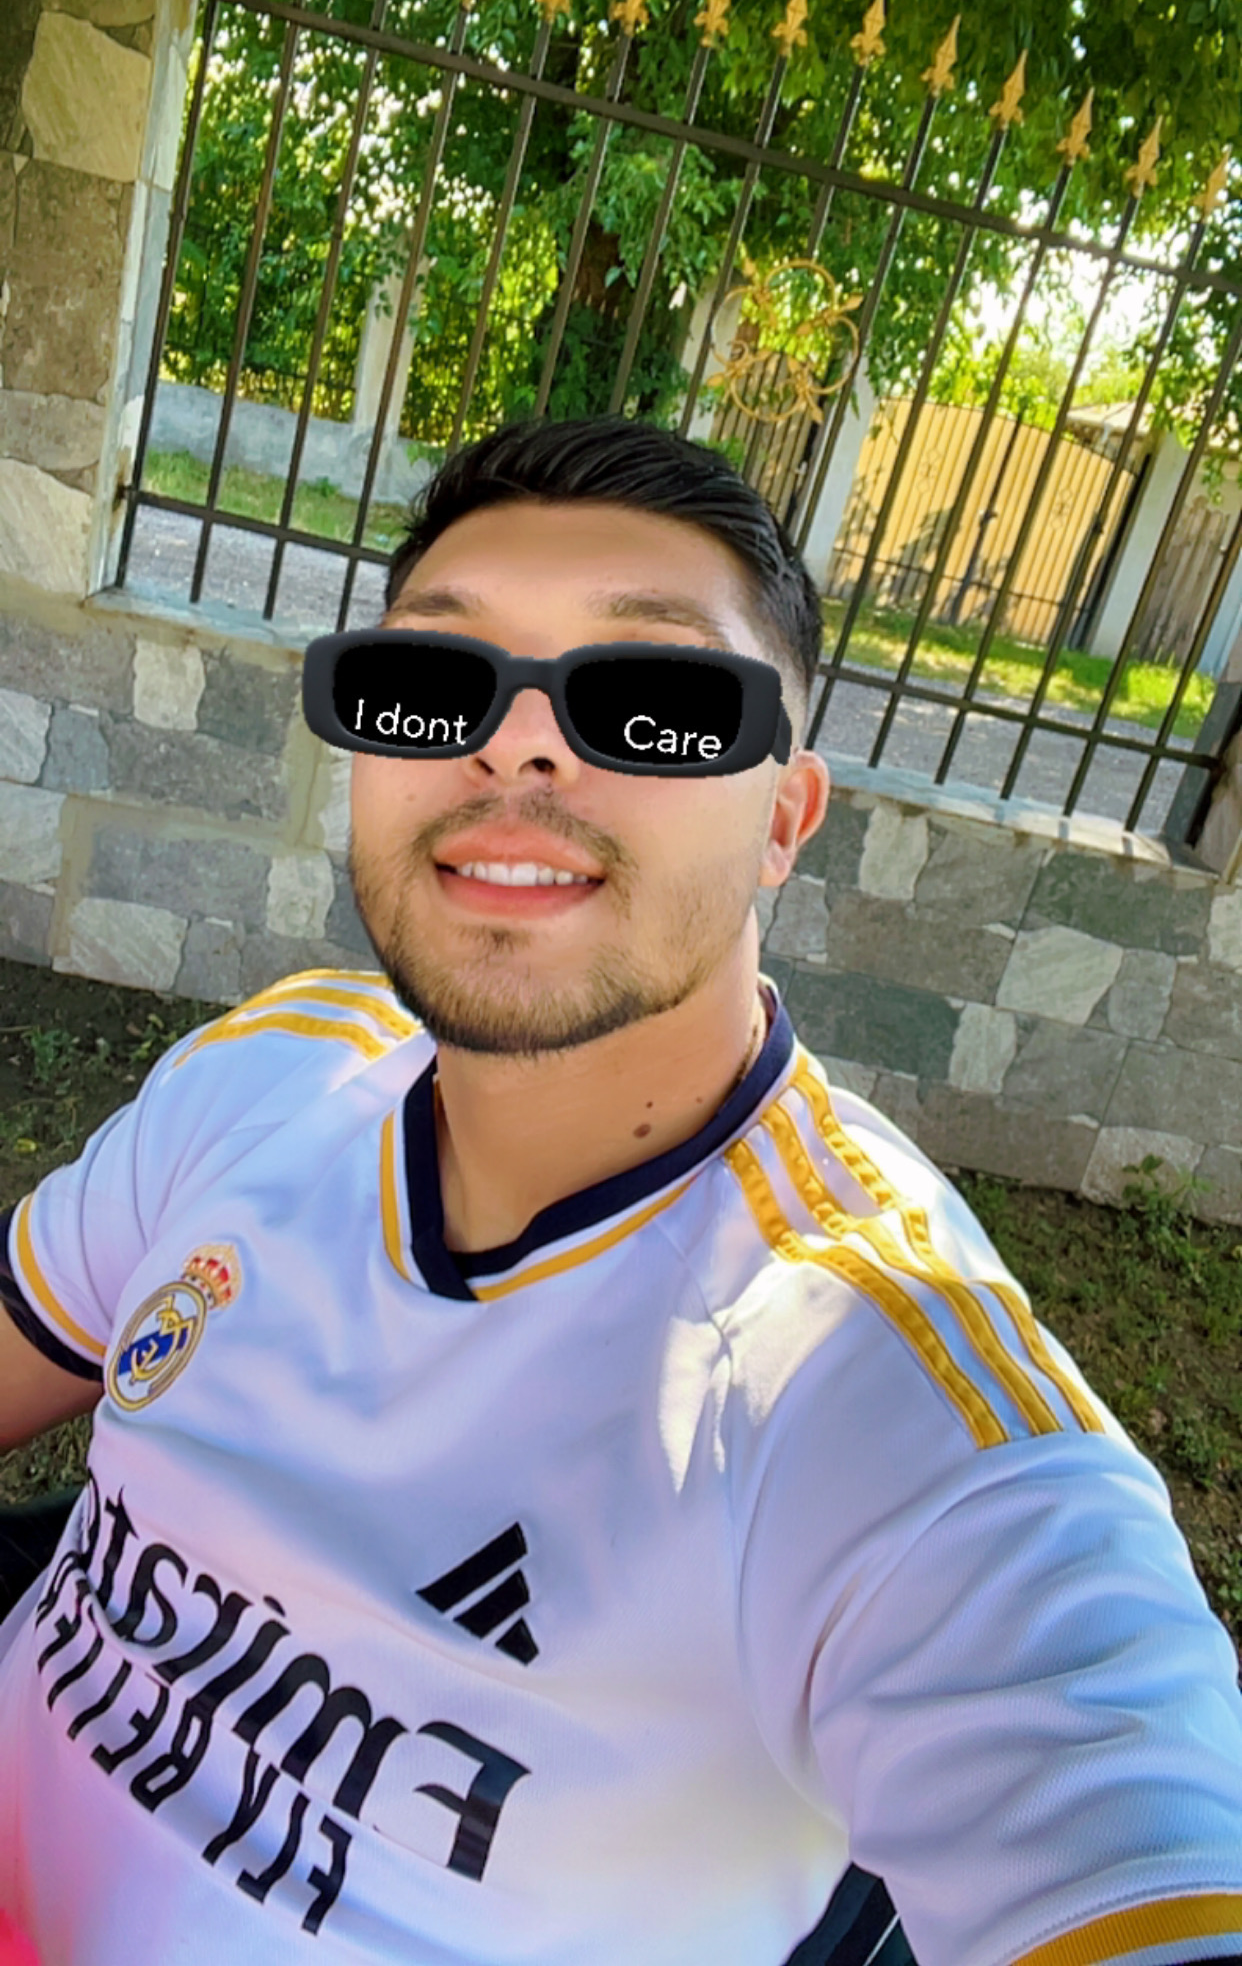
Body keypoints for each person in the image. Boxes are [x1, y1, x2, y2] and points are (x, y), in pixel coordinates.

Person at [0, 414, 1240, 1966]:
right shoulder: (273, 1074)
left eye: (654, 702)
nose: (513, 747)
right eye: (433, 680)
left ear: (783, 818)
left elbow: (1121, 1818)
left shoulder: (872, 1397)